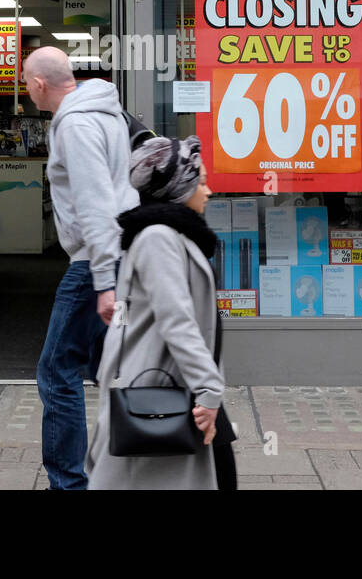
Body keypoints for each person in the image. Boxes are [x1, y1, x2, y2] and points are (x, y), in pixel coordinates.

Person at [85, 135, 235, 490]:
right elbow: (177, 322)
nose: (209, 190)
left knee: (220, 470)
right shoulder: (158, 238)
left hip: (177, 385)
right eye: (200, 181)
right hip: (158, 389)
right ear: (178, 189)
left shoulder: (169, 235)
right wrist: (209, 388)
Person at [23, 45, 139, 490]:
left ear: (39, 85)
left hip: (96, 261)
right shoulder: (106, 110)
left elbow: (94, 203)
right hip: (117, 252)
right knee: (111, 367)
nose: (26, 92)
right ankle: (126, 468)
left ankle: (69, 484)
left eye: (26, 84)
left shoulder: (74, 122)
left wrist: (104, 280)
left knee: (57, 372)